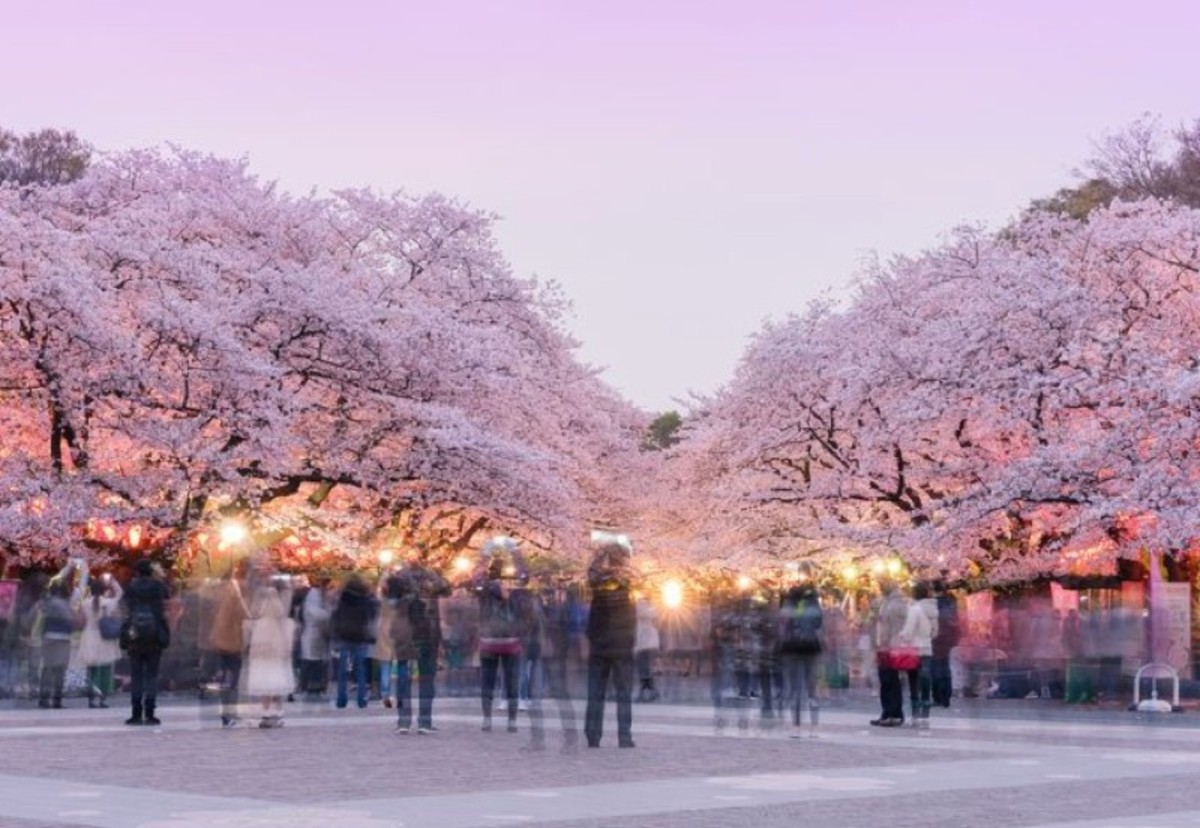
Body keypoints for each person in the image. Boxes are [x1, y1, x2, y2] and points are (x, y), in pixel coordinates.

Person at [584, 534, 637, 749]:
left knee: (596, 691)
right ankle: (624, 736)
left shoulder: (599, 583)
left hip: (600, 643)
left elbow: (592, 575)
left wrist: (599, 554)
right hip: (622, 643)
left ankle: (593, 735)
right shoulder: (627, 581)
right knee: (623, 693)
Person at [474, 537, 528, 734]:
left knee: (487, 682)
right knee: (512, 681)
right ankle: (512, 721)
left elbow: (476, 578)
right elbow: (524, 575)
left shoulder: (483, 590)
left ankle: (487, 719)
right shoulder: (514, 588)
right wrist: (515, 552)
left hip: (488, 641)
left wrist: (484, 554)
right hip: (511, 641)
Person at [121, 558, 171, 725]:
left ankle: (136, 713)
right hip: (154, 635)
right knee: (151, 676)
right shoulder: (158, 586)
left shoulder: (131, 587)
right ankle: (150, 712)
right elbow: (167, 599)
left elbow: (125, 608)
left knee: (136, 676)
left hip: (135, 635)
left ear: (137, 571)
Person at [245, 584, 294, 728]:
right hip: (276, 660)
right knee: (277, 686)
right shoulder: (282, 623)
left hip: (261, 660)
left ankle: (265, 710)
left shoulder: (259, 623)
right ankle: (278, 711)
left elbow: (253, 644)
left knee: (264, 687)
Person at [779, 577, 823, 738]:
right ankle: (814, 725)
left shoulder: (788, 602)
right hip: (810, 647)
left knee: (795, 689)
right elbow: (818, 622)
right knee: (811, 688)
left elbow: (782, 624)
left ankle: (796, 725)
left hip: (791, 647)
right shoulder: (813, 601)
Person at [208, 568, 249, 727]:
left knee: (225, 676)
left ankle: (227, 712)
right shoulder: (233, 592)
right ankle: (229, 713)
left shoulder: (215, 591)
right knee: (232, 678)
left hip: (218, 639)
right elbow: (243, 614)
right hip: (231, 641)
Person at [331, 574, 378, 709]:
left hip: (344, 635)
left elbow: (335, 616)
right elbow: (371, 617)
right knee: (360, 669)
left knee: (342, 670)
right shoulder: (366, 600)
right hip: (360, 636)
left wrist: (335, 633)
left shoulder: (341, 599)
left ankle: (341, 699)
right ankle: (361, 699)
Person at [76, 573, 123, 708]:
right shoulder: (109, 603)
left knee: (91, 669)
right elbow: (120, 594)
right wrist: (113, 581)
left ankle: (91, 698)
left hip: (89, 636)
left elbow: (80, 621)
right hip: (104, 638)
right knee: (105, 670)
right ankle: (103, 699)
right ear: (104, 590)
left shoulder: (85, 603)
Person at [870, 577, 910, 727]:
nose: (880, 587)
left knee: (891, 681)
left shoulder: (898, 603)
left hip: (892, 647)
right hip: (883, 646)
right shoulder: (884, 602)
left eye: (882, 584)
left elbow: (897, 626)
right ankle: (886, 712)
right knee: (885, 680)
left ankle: (894, 713)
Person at [901, 582, 937, 728]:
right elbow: (935, 631)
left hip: (914, 648)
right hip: (927, 647)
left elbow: (908, 630)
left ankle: (915, 711)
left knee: (913, 680)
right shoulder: (933, 610)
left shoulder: (914, 609)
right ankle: (926, 711)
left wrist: (902, 636)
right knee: (926, 678)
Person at [36, 579, 74, 709]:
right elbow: (71, 622)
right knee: (60, 670)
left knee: (47, 668)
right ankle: (57, 699)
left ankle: (44, 698)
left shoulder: (47, 602)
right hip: (64, 638)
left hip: (48, 637)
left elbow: (40, 608)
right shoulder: (66, 604)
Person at [930, 580, 959, 707]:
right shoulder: (951, 603)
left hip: (935, 639)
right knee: (945, 666)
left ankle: (938, 697)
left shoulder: (933, 604)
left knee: (935, 668)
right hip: (948, 639)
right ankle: (946, 696)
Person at [634, 596, 660, 702]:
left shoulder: (645, 611)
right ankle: (650, 691)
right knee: (644, 668)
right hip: (645, 644)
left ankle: (647, 692)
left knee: (644, 668)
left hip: (644, 645)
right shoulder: (649, 612)